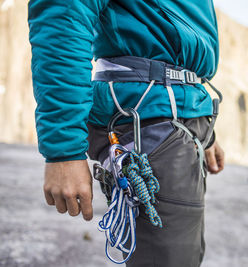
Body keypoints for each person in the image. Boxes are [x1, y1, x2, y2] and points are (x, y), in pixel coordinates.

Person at [28, 0, 224, 266]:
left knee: (185, 256)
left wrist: (205, 131)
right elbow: (65, 12)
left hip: (179, 118)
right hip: (149, 122)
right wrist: (64, 150)